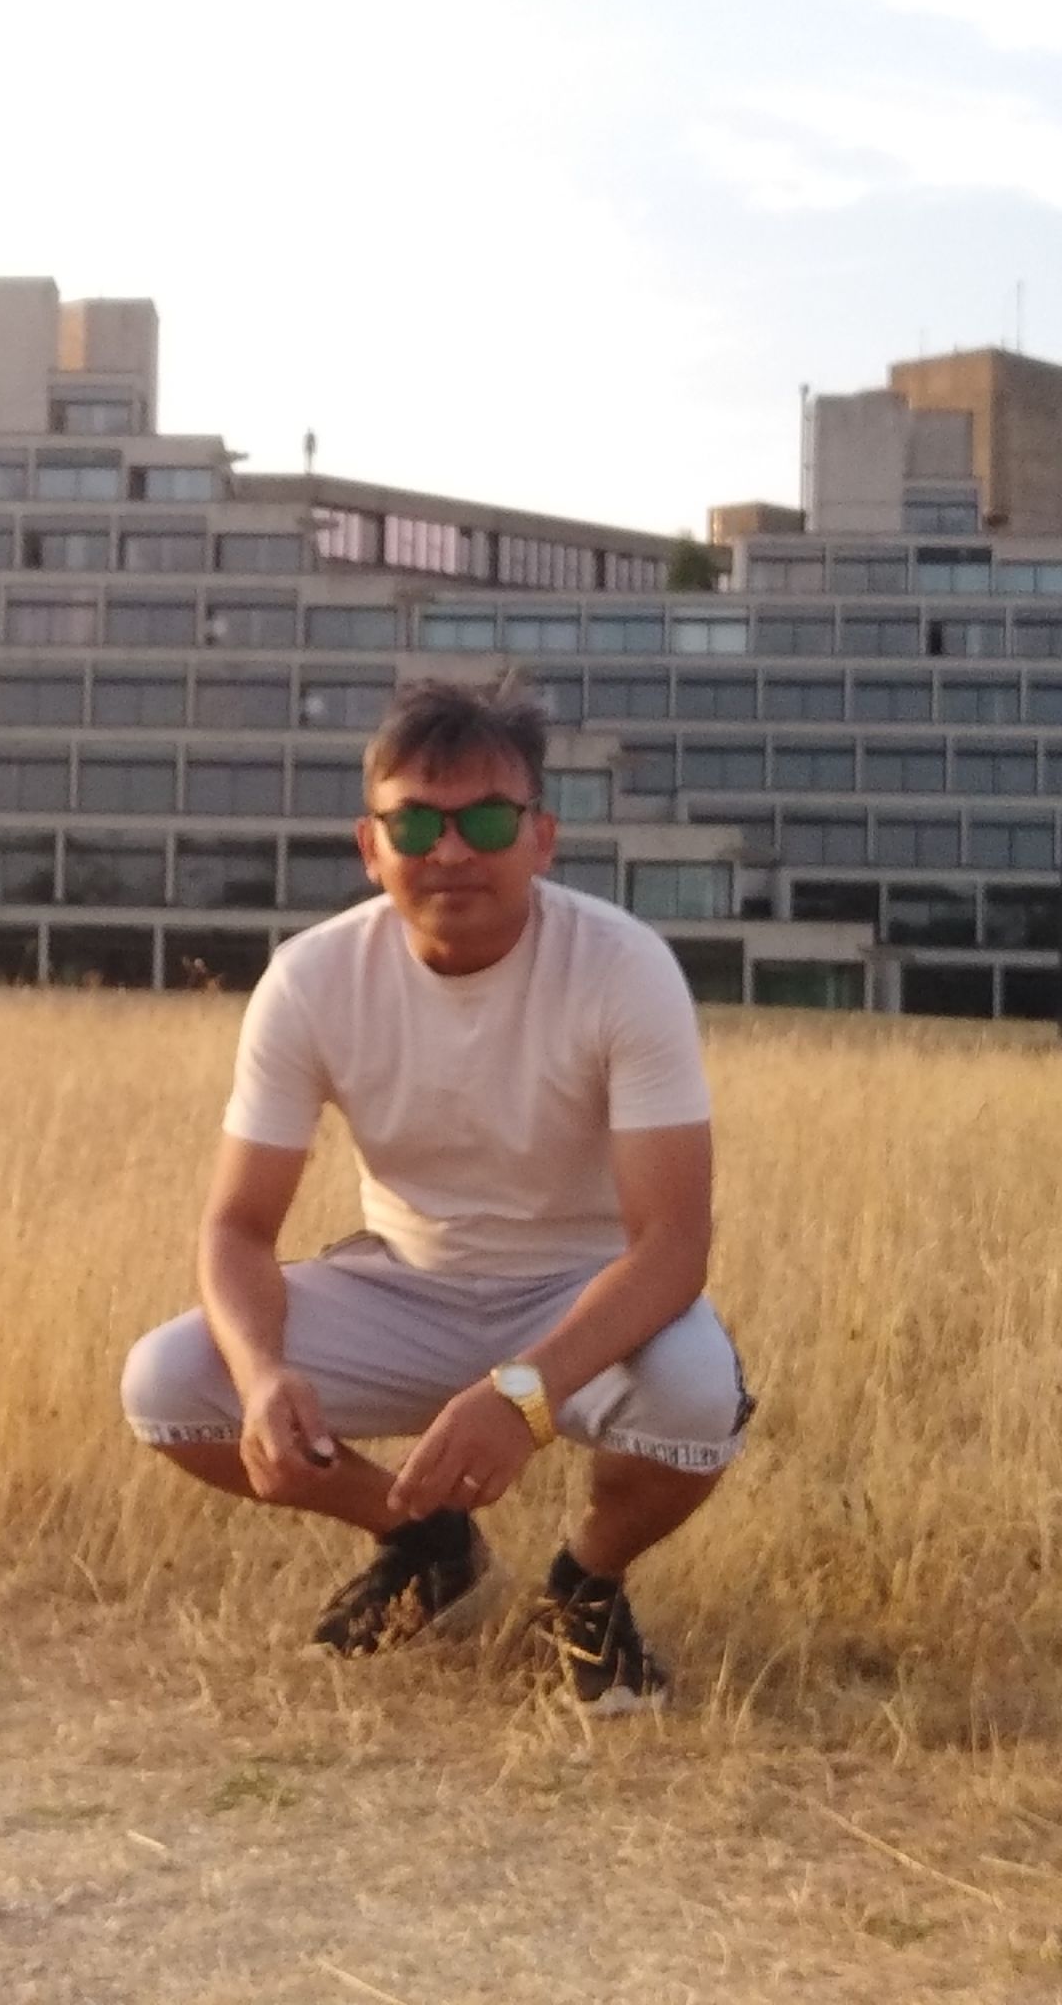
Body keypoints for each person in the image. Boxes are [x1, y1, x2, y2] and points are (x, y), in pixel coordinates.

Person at [119, 676, 744, 1714]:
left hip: (579, 1292)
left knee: (695, 1395)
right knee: (171, 1385)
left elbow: (672, 1246)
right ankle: (426, 1540)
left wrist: (523, 1397)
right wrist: (264, 1376)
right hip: (405, 1286)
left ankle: (584, 1585)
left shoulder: (622, 968)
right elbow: (237, 1227)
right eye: (415, 823)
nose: (451, 850)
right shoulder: (312, 979)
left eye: (487, 820)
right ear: (370, 847)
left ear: (542, 839)